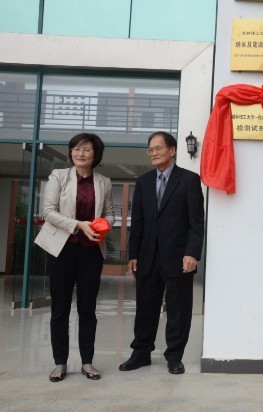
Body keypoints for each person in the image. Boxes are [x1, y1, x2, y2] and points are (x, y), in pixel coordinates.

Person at [119, 131, 204, 375]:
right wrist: (133, 255)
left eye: (158, 148)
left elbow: (196, 222)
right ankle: (141, 353)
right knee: (145, 308)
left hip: (178, 258)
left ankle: (174, 356)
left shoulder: (189, 180)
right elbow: (138, 223)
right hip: (147, 257)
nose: (153, 153)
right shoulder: (143, 182)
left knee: (178, 310)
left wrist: (192, 253)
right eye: (150, 149)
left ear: (172, 150)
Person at [34, 133, 114, 382]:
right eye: (76, 149)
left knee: (88, 308)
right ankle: (60, 363)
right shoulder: (59, 176)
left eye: (86, 149)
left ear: (95, 154)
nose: (80, 153)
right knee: (60, 307)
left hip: (91, 251)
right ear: (71, 153)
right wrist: (79, 225)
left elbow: (110, 213)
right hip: (62, 249)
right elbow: (48, 212)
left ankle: (87, 362)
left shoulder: (104, 182)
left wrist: (103, 224)